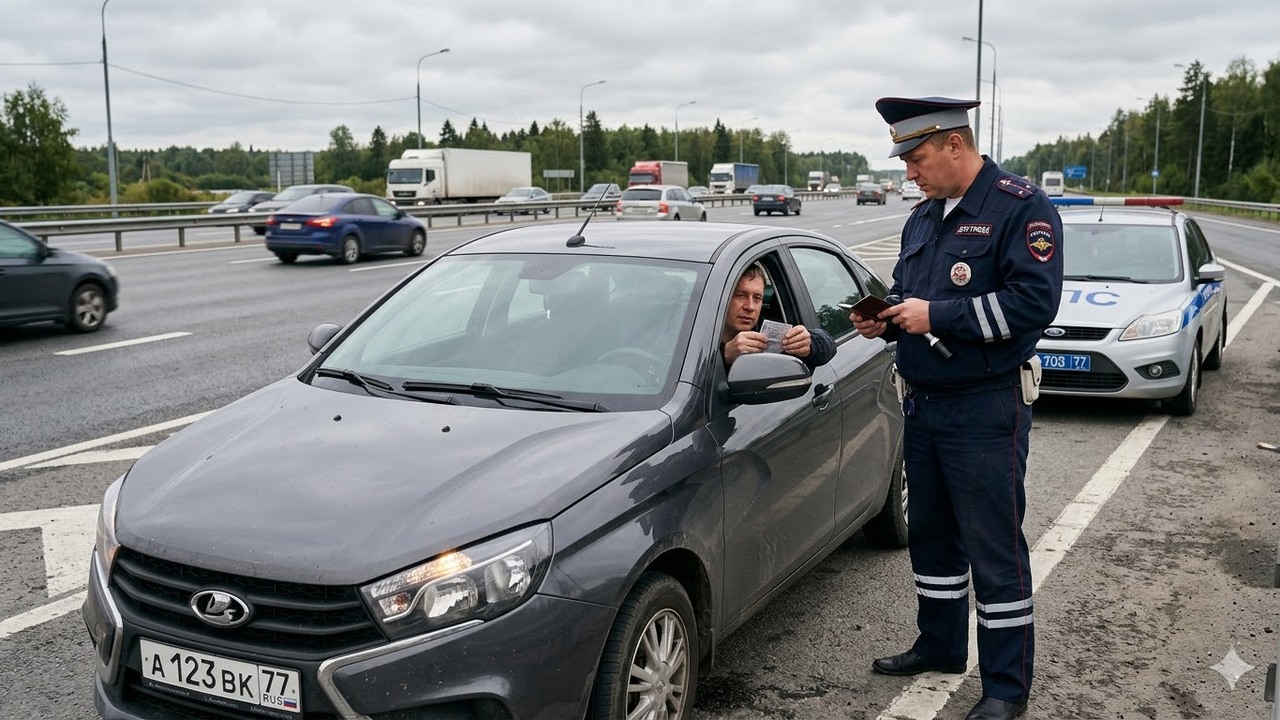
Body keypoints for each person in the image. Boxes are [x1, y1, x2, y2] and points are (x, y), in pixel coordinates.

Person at [850, 96, 1063, 720]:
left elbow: (1032, 306)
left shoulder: (1021, 208)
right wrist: (885, 319)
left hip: (985, 408)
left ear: (953, 144)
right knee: (933, 540)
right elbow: (909, 296)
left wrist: (936, 315)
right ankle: (940, 644)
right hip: (924, 406)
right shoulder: (924, 217)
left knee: (993, 549)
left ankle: (1004, 686)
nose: (909, 173)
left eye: (916, 158)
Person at [722, 263, 835, 369]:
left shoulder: (769, 331)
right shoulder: (704, 335)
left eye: (757, 298)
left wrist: (810, 344)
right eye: (741, 296)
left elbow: (829, 344)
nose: (750, 307)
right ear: (722, 298)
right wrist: (724, 355)